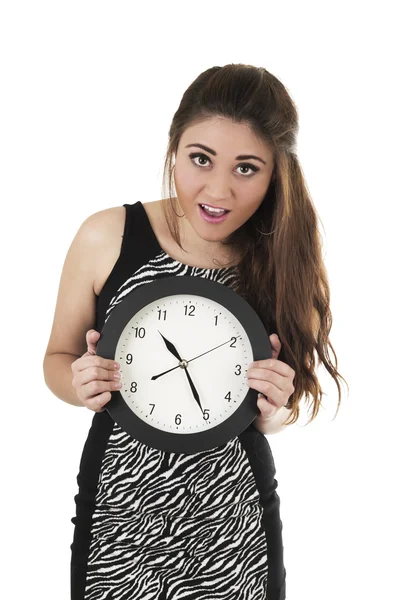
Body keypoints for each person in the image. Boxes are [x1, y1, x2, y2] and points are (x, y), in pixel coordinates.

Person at [43, 63, 347, 600]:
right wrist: (78, 381)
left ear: (278, 172)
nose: (217, 189)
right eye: (200, 159)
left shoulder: (285, 259)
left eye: (247, 168)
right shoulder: (108, 236)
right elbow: (58, 356)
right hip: (119, 510)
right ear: (173, 149)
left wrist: (274, 408)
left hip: (236, 523)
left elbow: (274, 415)